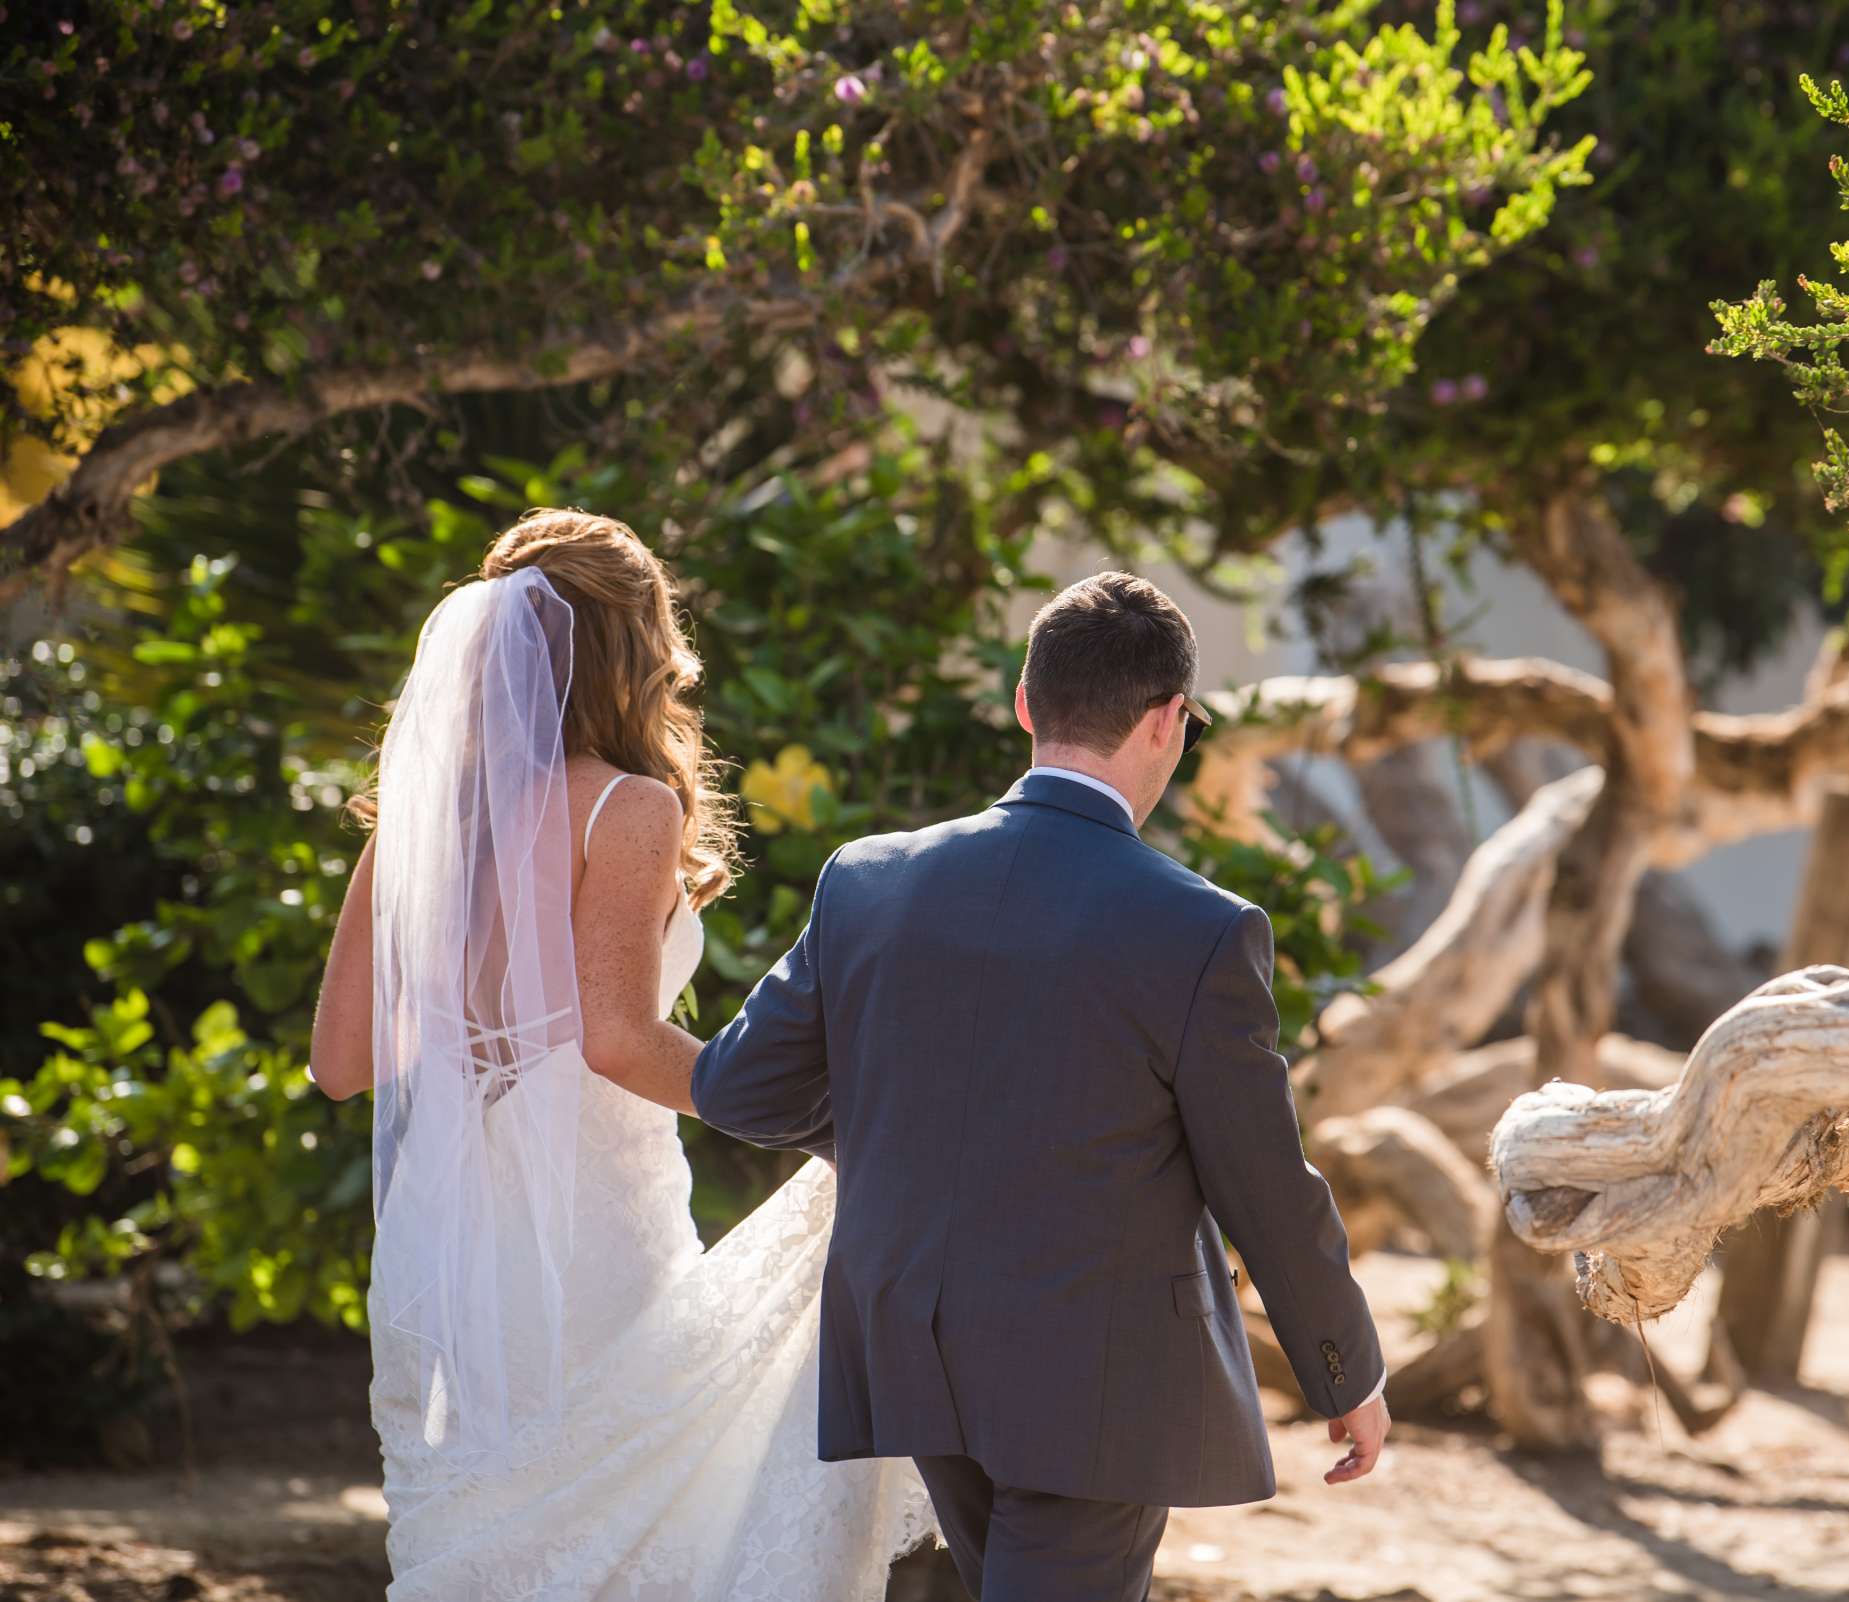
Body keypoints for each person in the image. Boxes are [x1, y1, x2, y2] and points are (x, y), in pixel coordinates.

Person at [690, 570, 1390, 1602]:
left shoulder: (866, 879)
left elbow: (741, 1089)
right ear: (1168, 722)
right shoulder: (1201, 930)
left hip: (911, 1345)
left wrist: (902, 1114)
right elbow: (1266, 1186)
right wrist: (1349, 1369)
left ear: (1026, 704)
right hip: (1097, 1375)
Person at [308, 510, 929, 1601]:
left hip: (447, 1246)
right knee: (639, 1518)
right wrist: (810, 1112)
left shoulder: (413, 822)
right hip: (595, 1227)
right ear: (630, 648)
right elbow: (618, 1042)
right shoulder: (628, 808)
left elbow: (342, 1062)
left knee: (488, 1525)